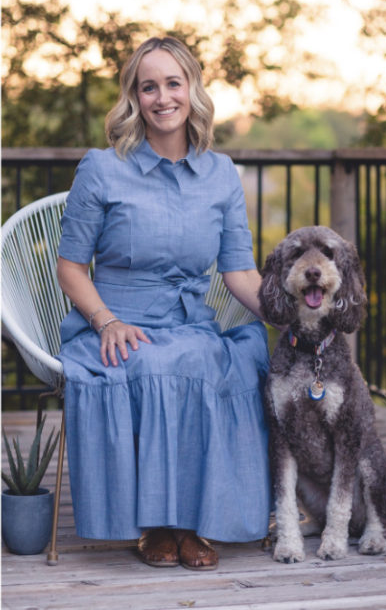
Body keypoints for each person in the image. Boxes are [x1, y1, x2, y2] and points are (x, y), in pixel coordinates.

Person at [56, 36, 271, 571]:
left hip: (190, 325)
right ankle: (156, 523)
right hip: (116, 323)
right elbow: (70, 268)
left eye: (173, 83)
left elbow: (239, 271)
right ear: (134, 98)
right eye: (147, 87)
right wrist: (106, 321)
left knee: (212, 358)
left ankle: (191, 521)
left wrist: (292, 317)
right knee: (155, 361)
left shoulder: (220, 173)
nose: (162, 97)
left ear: (192, 90)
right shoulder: (102, 169)